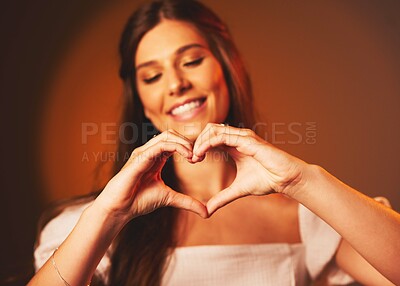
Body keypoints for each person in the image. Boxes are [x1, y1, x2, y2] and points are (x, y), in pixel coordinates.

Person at [28, 0, 400, 285]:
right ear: (141, 100)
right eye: (153, 75)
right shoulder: (90, 225)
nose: (175, 84)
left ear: (226, 65)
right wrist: (109, 215)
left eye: (191, 61)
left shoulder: (306, 218)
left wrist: (302, 181)